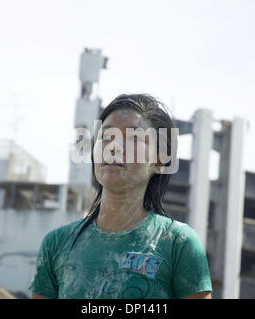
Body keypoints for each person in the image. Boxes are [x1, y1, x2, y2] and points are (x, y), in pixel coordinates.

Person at [29, 93, 212, 299]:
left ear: (160, 162)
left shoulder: (179, 243)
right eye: (106, 137)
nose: (114, 147)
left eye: (134, 138)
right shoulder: (56, 244)